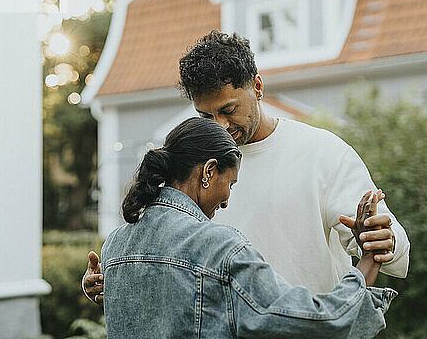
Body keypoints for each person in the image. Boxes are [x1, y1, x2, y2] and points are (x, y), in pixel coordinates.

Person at [83, 30, 409, 301]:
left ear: (256, 87)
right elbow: (165, 253)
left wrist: (384, 240)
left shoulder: (323, 152)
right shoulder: (189, 166)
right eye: (206, 116)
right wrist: (116, 279)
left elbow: (391, 246)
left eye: (228, 109)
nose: (220, 126)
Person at [101, 117, 397, 338]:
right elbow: (316, 321)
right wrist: (369, 260)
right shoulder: (219, 247)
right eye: (230, 184)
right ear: (208, 171)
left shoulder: (114, 246)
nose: (227, 200)